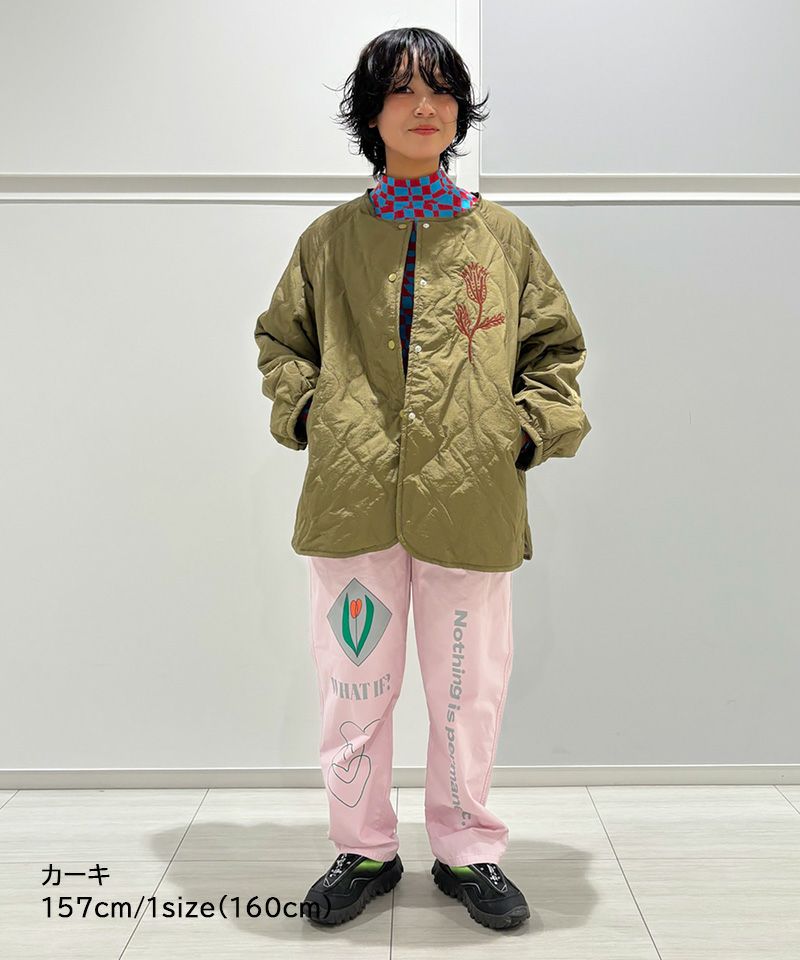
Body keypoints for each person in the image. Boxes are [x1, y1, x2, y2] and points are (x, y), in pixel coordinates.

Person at [254, 27, 591, 930]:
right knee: (354, 688)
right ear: (371, 113)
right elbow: (282, 344)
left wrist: (520, 435)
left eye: (441, 89)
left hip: (472, 499)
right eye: (402, 90)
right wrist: (314, 417)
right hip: (352, 498)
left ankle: (467, 851)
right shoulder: (329, 241)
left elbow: (555, 352)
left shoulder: (502, 237)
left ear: (459, 109)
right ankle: (363, 846)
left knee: (465, 695)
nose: (424, 106)